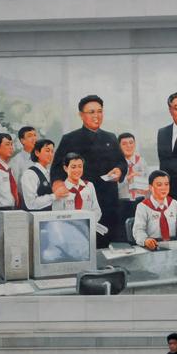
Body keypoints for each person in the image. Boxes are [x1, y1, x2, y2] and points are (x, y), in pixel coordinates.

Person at [52, 95, 124, 246]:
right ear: (81, 115)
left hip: (109, 201)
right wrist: (58, 184)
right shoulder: (69, 139)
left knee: (109, 246)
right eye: (91, 112)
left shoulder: (111, 138)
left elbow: (121, 162)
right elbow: (57, 168)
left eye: (99, 111)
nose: (96, 116)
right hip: (82, 201)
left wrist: (119, 170)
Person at [51, 152, 107, 235]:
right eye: (73, 167)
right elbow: (57, 215)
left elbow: (97, 210)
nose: (77, 170)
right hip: (67, 232)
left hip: (87, 230)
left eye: (80, 166)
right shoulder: (60, 189)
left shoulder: (89, 186)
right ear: (66, 168)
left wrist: (88, 225)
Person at [132, 170, 177, 250]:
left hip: (172, 245)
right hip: (152, 246)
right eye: (159, 185)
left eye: (166, 184)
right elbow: (138, 230)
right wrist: (145, 240)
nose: (164, 188)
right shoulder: (142, 206)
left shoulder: (173, 203)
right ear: (150, 187)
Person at [20, 138, 65, 212]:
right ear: (37, 153)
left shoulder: (51, 173)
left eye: (52, 151)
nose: (51, 154)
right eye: (47, 151)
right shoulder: (30, 174)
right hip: (35, 219)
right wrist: (54, 196)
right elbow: (30, 204)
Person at [117, 131, 150, 202]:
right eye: (124, 144)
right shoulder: (115, 164)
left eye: (131, 143)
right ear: (119, 146)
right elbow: (112, 187)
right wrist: (127, 179)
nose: (128, 146)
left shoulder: (142, 161)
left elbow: (148, 184)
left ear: (135, 144)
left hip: (141, 200)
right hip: (123, 201)